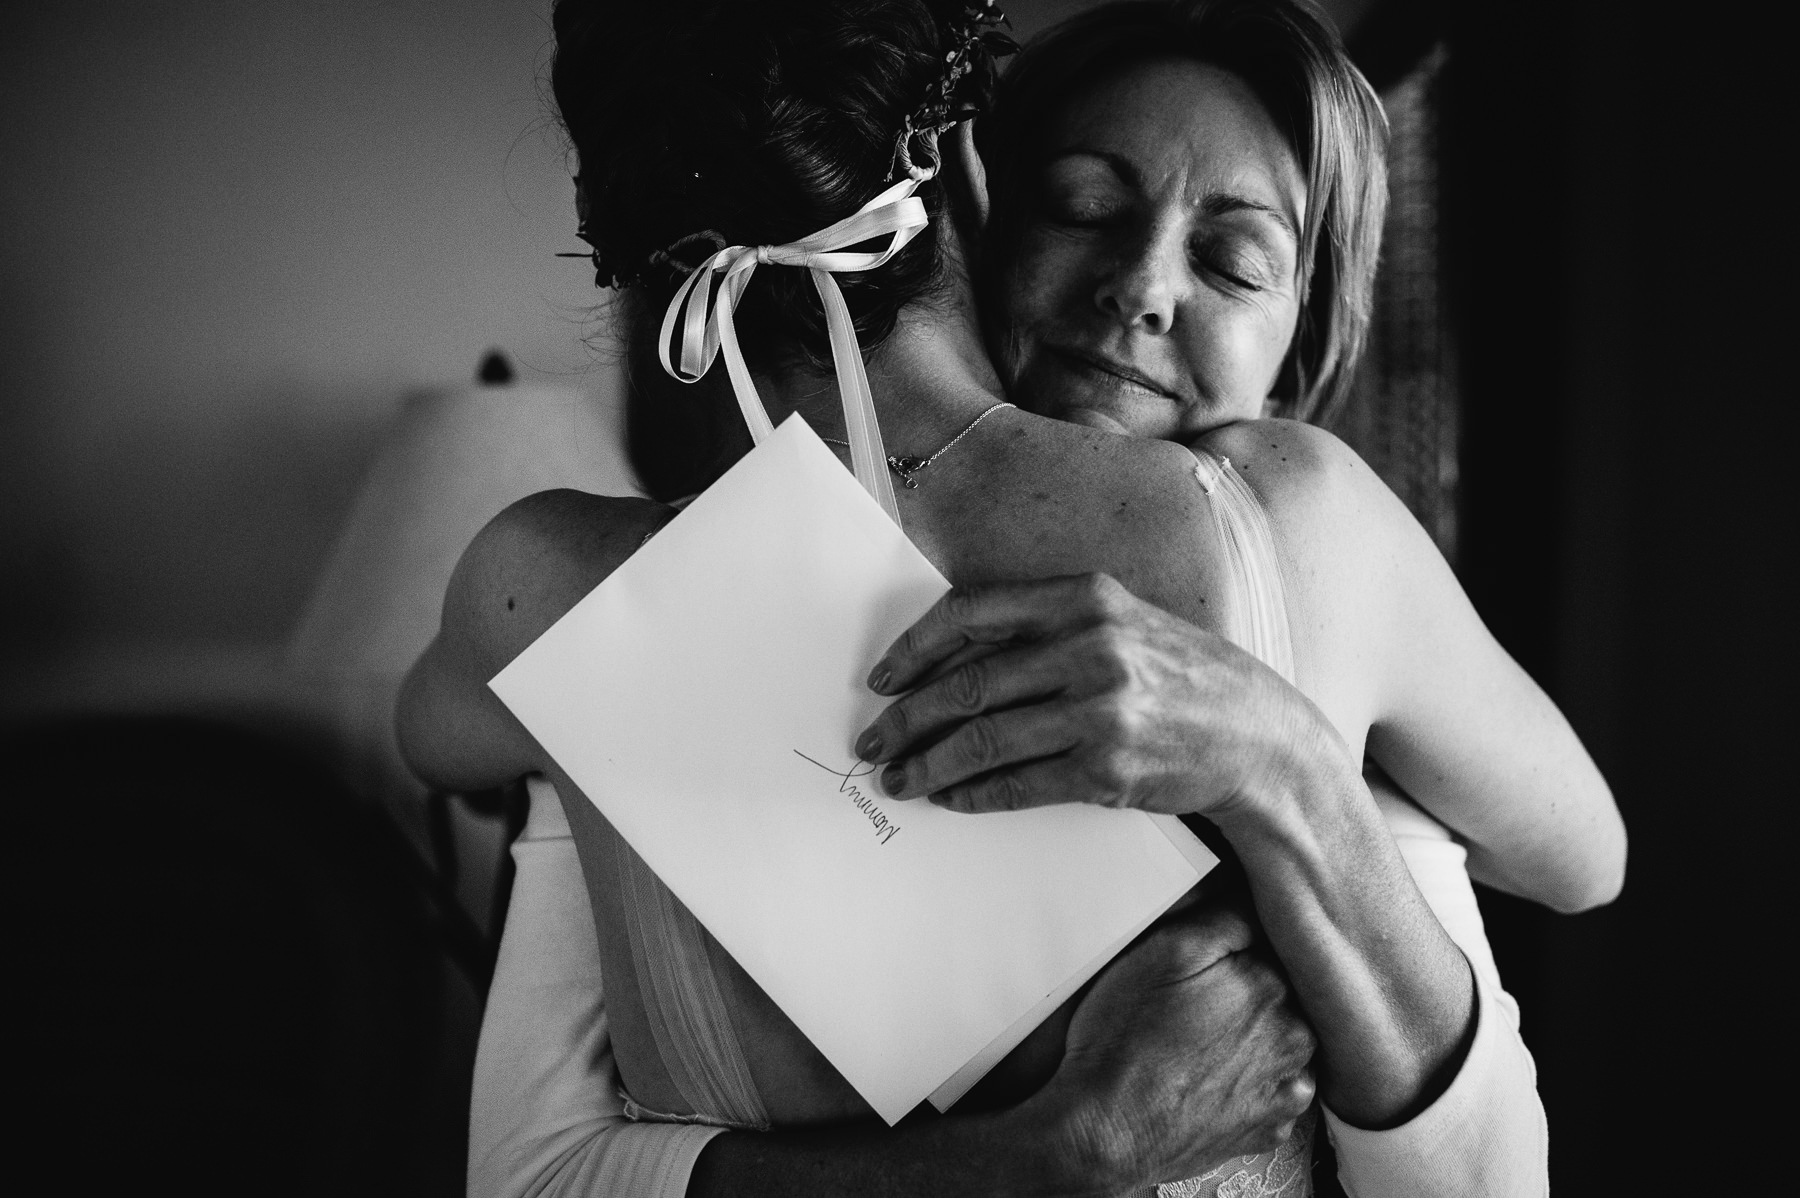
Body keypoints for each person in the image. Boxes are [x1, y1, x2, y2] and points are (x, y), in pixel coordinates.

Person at [399, 1, 1622, 1194]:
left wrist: (1288, 758)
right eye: (1084, 206)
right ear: (978, 180)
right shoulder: (1305, 540)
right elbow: (1574, 859)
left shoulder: (552, 602)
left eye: (1237, 260)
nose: (1141, 290)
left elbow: (432, 738)